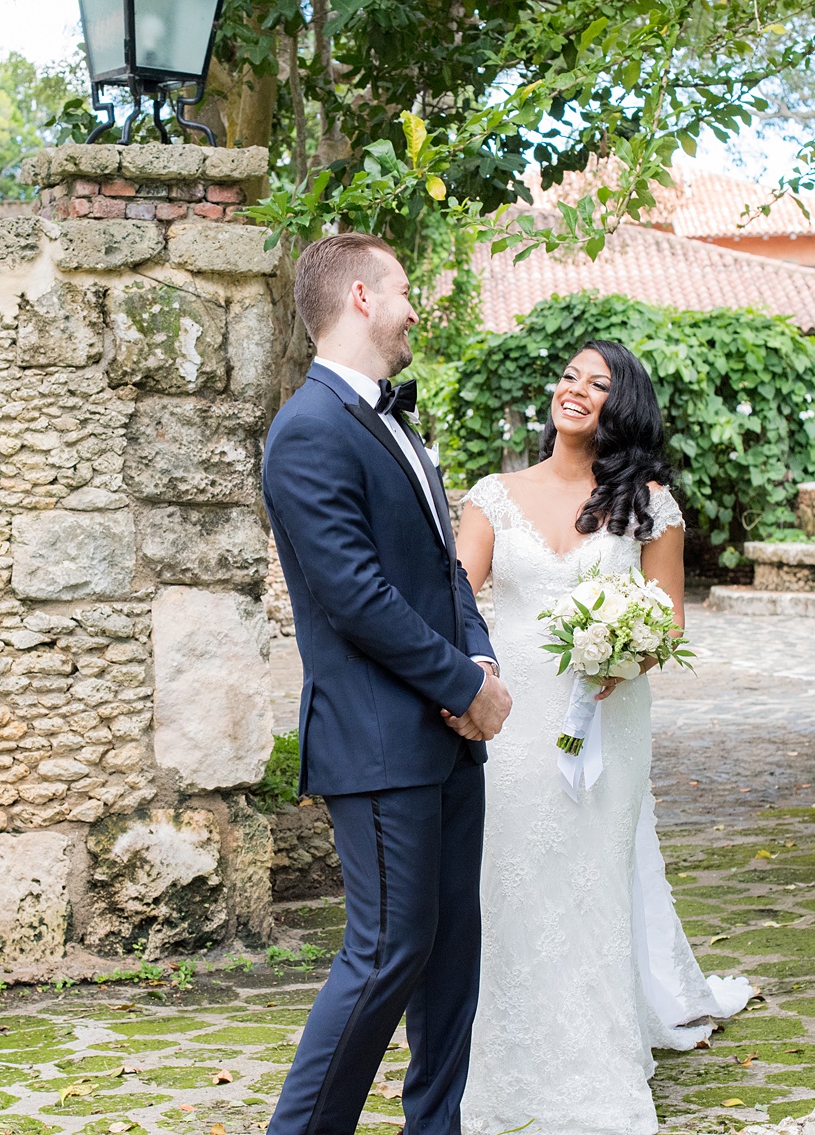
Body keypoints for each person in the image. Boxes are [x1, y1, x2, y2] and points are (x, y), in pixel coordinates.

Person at [455, 340, 754, 1135]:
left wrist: (625, 652)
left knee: (590, 876)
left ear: (620, 406)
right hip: (513, 721)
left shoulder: (647, 501)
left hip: (607, 719)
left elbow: (669, 618)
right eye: (569, 377)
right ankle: (503, 1047)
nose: (576, 391)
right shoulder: (495, 494)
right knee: (510, 874)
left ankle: (595, 1052)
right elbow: (457, 593)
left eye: (598, 383)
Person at [262, 231, 513, 1135]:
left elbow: (444, 566)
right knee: (384, 953)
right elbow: (356, 597)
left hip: (448, 736)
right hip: (377, 743)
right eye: (403, 289)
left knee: (450, 956)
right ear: (362, 298)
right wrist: (460, 685)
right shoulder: (305, 431)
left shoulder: (398, 422)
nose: (414, 308)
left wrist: (480, 659)